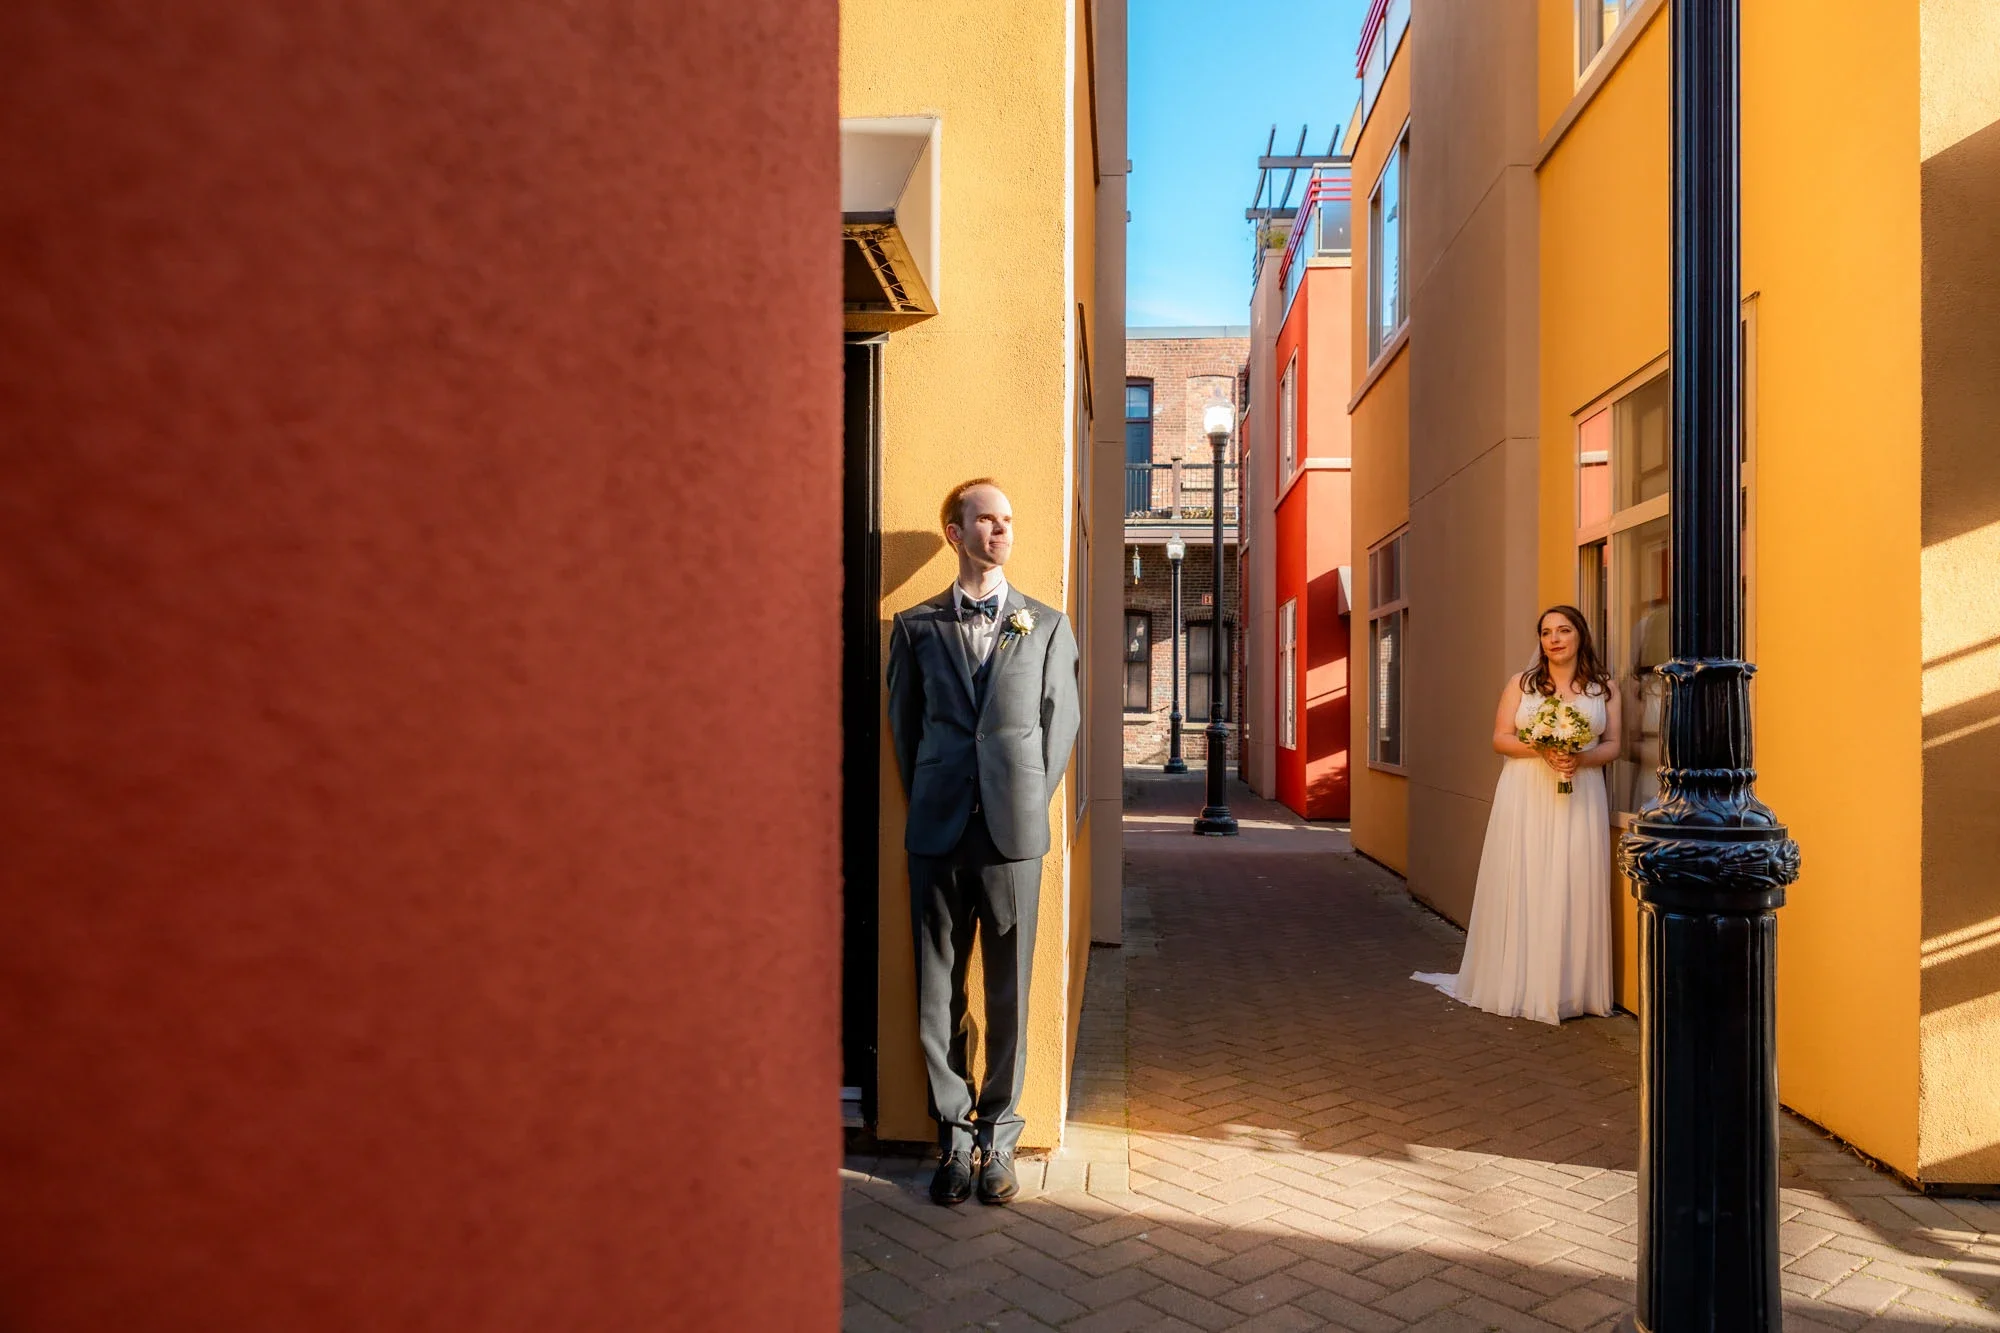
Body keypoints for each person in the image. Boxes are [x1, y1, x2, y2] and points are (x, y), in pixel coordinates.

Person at [887, 478, 1080, 1206]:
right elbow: (904, 729)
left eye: (1008, 520)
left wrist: (1021, 799)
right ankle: (952, 1137)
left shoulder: (1047, 625)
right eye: (986, 521)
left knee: (1008, 988)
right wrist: (937, 792)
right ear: (954, 533)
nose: (1001, 531)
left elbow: (1059, 729)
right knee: (938, 990)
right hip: (935, 831)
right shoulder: (913, 627)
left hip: (1012, 835)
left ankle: (999, 1136)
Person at [1412, 605, 1622, 1024]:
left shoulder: (1605, 689)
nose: (1555, 639)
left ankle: (1568, 989)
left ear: (1581, 635)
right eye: (1546, 633)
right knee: (1527, 876)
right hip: (1526, 791)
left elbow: (1614, 744)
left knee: (1572, 877)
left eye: (1564, 630)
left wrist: (1580, 759)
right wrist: (1543, 749)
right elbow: (1500, 738)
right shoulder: (1522, 685)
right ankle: (1520, 981)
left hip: (1581, 795)